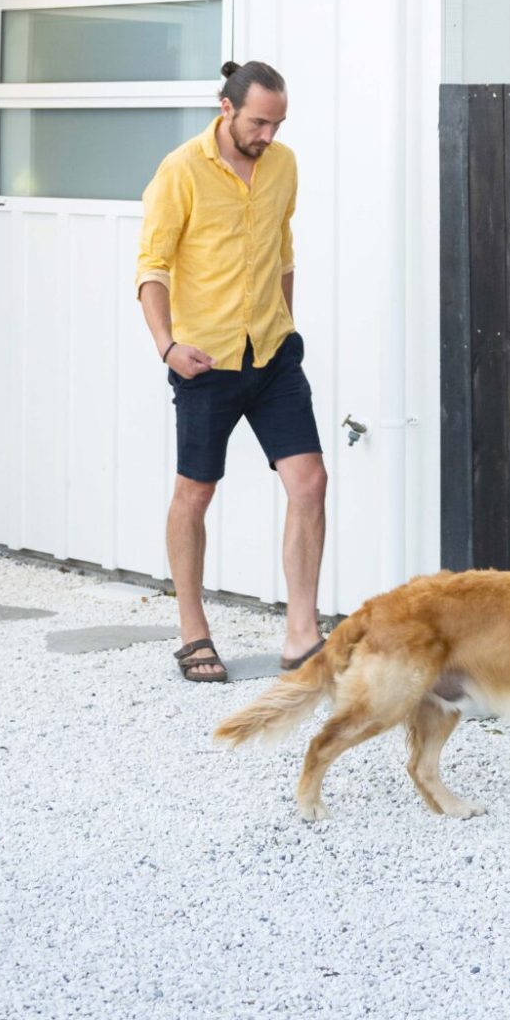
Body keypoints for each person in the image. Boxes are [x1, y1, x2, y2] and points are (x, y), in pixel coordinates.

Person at [135, 59, 329, 682]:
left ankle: (302, 633)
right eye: (258, 122)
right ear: (226, 108)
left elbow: (283, 251)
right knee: (195, 494)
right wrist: (168, 348)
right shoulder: (180, 170)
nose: (268, 135)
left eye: (277, 124)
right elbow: (153, 268)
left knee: (310, 483)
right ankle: (193, 631)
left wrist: (288, 324)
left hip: (272, 354)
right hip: (206, 361)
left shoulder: (284, 166)